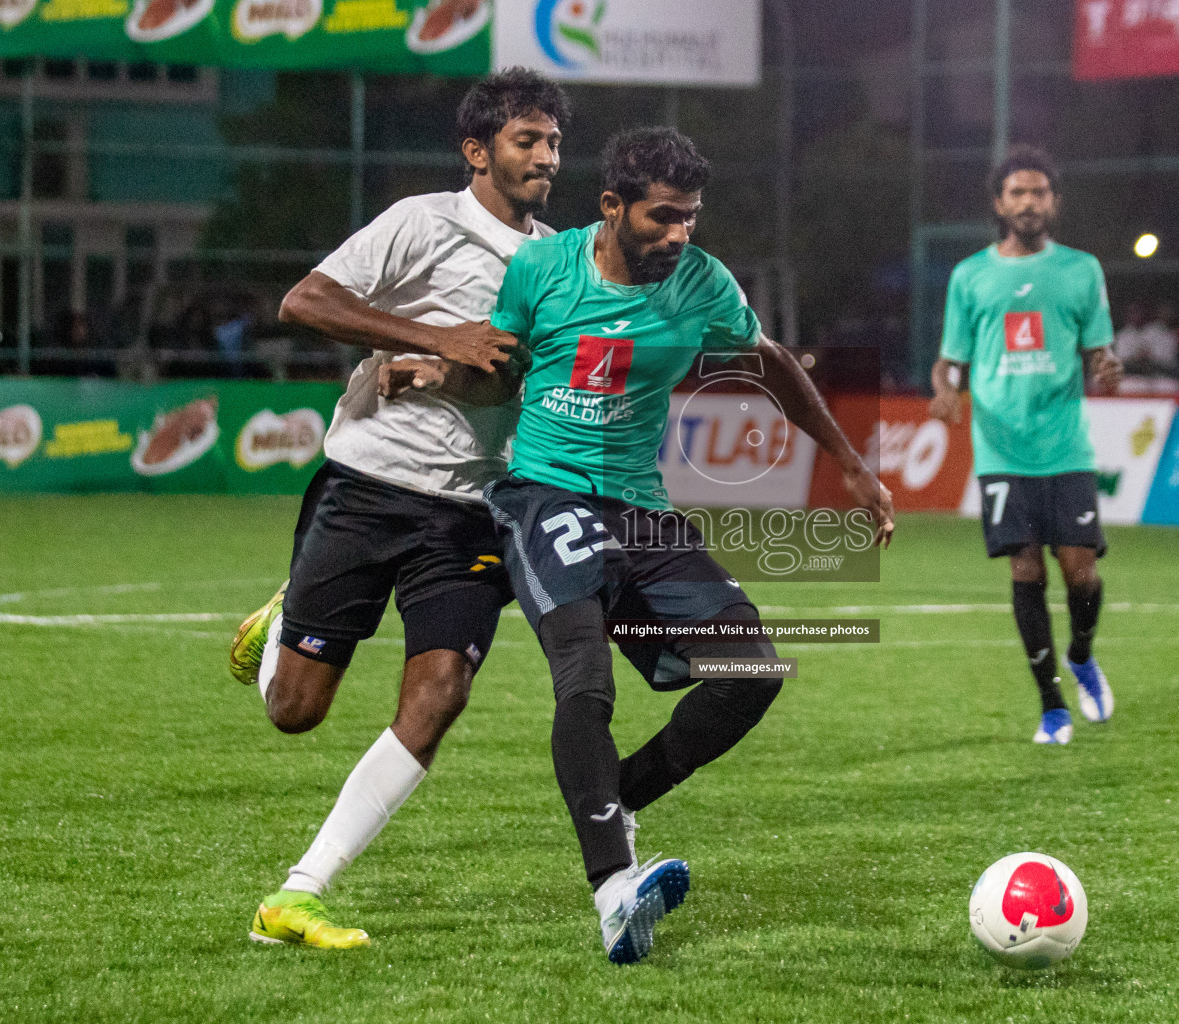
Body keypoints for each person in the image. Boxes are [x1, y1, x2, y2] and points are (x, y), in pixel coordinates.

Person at [382, 126, 894, 965]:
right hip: (544, 492)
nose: (679, 235)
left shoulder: (702, 283)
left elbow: (772, 367)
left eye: (690, 218)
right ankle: (615, 889)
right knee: (583, 676)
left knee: (751, 669)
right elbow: (499, 371)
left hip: (642, 511)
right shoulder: (543, 271)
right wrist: (437, 368)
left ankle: (616, 797)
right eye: (662, 218)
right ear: (612, 206)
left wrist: (850, 465)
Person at [225, 68, 571, 946]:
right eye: (526, 140)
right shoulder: (424, 222)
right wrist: (431, 338)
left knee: (442, 689)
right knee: (295, 712)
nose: (544, 157)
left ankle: (299, 892)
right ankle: (282, 622)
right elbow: (305, 299)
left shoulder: (558, 258)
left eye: (554, 142)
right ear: (477, 151)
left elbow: (539, 370)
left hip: (467, 514)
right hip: (368, 489)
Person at [929, 144, 1123, 747]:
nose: (1028, 202)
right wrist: (944, 392)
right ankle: (1052, 706)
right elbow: (948, 361)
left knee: (1081, 571)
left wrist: (1108, 366)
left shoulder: (1082, 270)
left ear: (1054, 202)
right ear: (999, 203)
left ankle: (1083, 655)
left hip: (1065, 446)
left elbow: (1098, 350)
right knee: (1024, 567)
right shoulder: (970, 276)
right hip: (1000, 449)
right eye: (1017, 192)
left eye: (1039, 192)